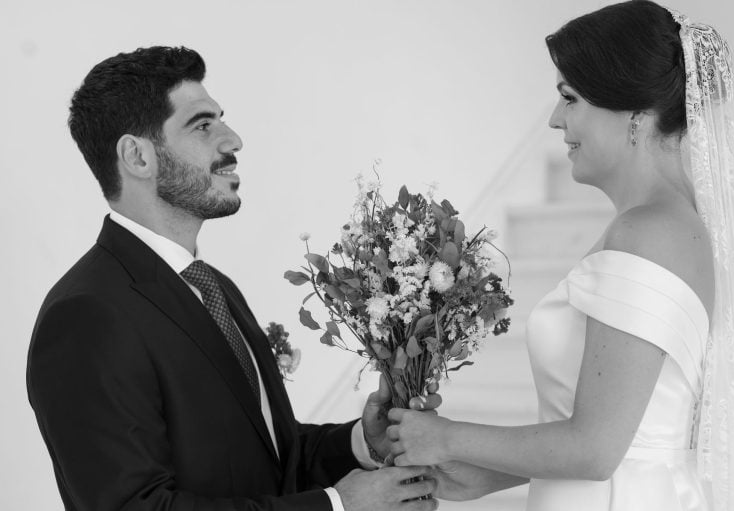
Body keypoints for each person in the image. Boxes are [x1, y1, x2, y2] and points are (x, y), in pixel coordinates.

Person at [387, 1, 734, 510]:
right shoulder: (668, 226)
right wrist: (487, 473)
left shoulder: (649, 233)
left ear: (634, 112)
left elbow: (594, 449)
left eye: (570, 98)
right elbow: (642, 434)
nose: (553, 118)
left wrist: (446, 436)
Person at [26, 46, 440, 511]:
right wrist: (334, 506)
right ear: (137, 157)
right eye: (202, 125)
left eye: (221, 120)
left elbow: (268, 460)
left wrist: (362, 441)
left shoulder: (214, 286)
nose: (233, 139)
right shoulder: (87, 316)